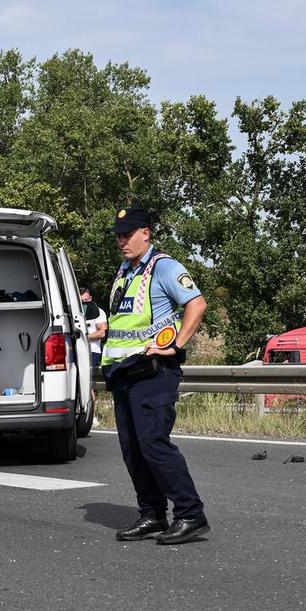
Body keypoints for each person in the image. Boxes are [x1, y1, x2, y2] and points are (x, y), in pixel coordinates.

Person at [101, 208, 209, 545]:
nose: (122, 240)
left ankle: (191, 514)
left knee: (153, 444)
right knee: (133, 449)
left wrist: (176, 345)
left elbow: (197, 304)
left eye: (128, 234)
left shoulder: (163, 266)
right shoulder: (124, 271)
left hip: (153, 372)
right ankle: (152, 514)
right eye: (118, 235)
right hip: (123, 372)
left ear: (145, 233)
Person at [80, 287, 108, 368]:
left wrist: (83, 337)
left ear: (91, 298)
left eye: (86, 300)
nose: (84, 303)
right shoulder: (73, 313)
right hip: (75, 351)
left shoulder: (98, 312)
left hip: (92, 351)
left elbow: (103, 333)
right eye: (81, 301)